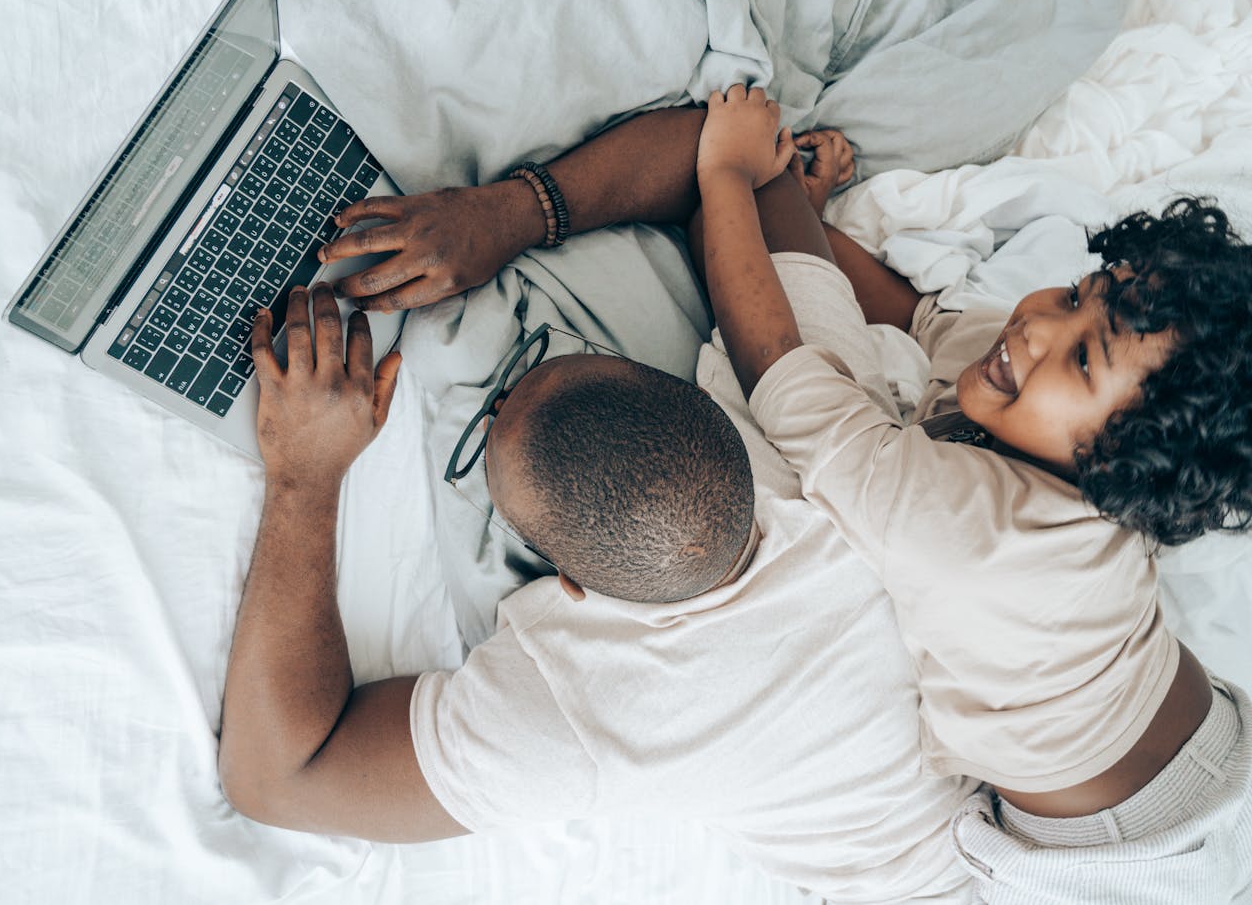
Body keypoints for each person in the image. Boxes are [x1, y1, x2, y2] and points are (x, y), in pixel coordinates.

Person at [217, 284, 979, 903]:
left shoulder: (585, 704)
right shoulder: (841, 455)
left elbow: (275, 775)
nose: (500, 389)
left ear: (568, 583)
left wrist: (305, 476)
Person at [689, 84, 1252, 903]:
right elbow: (919, 317)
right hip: (1203, 737)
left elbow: (787, 378)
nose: (1037, 327)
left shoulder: (976, 531)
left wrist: (727, 178)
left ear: (1128, 469)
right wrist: (809, 221)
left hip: (1114, 854)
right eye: (1073, 295)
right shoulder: (1036, 394)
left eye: (1083, 359)